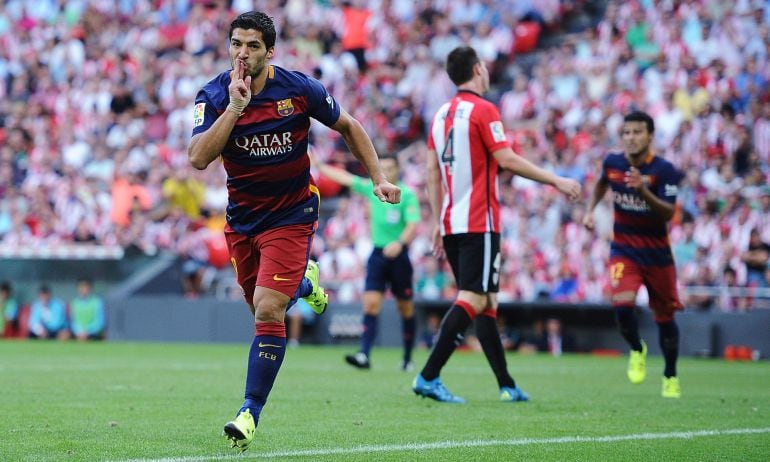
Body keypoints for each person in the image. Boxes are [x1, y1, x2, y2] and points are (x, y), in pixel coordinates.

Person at [187, 11, 400, 452]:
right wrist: (236, 108)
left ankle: (249, 412)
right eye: (236, 44)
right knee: (261, 303)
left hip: (292, 213)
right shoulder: (211, 95)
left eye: (252, 46)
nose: (243, 54)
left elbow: (349, 125)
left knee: (267, 309)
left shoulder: (298, 89)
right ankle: (305, 283)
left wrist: (377, 177)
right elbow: (198, 157)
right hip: (243, 220)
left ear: (270, 51)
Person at [413, 46, 581, 404]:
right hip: (479, 221)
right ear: (477, 70)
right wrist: (556, 180)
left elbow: (431, 171)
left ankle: (506, 384)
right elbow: (505, 158)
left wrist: (437, 218)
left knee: (486, 302)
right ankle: (428, 376)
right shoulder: (484, 110)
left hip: (452, 221)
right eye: (485, 67)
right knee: (474, 297)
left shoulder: (441, 114)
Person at [583, 110, 685, 399]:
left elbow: (668, 212)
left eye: (637, 132)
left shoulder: (664, 170)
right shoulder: (613, 163)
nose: (631, 138)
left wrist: (643, 190)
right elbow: (603, 182)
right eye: (627, 133)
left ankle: (670, 375)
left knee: (665, 319)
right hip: (624, 251)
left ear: (650, 136)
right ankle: (637, 348)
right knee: (622, 307)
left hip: (658, 257)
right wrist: (590, 211)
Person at [312, 153, 420, 371]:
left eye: (390, 167)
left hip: (399, 256)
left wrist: (399, 243)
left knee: (405, 308)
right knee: (370, 304)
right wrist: (320, 165)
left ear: (398, 169)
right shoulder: (375, 190)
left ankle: (407, 358)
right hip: (378, 255)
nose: (387, 172)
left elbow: (412, 225)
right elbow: (346, 178)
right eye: (384, 167)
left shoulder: (407, 195)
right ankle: (364, 354)